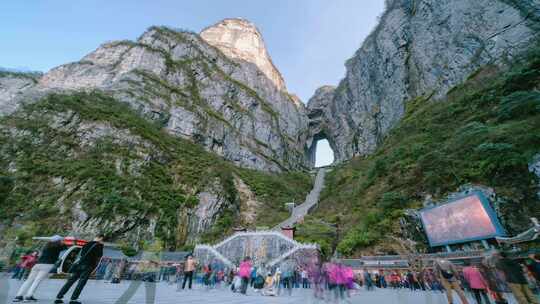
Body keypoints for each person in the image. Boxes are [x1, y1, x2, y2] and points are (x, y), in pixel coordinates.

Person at [13, 235, 67, 302]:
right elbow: (65, 246)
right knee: (37, 281)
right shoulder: (58, 247)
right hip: (47, 265)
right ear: (58, 241)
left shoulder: (46, 246)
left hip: (37, 265)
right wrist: (62, 241)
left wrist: (54, 239)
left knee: (28, 280)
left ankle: (18, 296)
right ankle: (28, 296)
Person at [54, 234, 105, 304]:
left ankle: (59, 296)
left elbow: (80, 255)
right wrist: (101, 245)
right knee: (81, 283)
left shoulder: (86, 244)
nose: (102, 241)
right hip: (88, 266)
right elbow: (99, 256)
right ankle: (73, 299)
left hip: (79, 265)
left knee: (70, 281)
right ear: (100, 238)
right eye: (102, 239)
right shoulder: (99, 245)